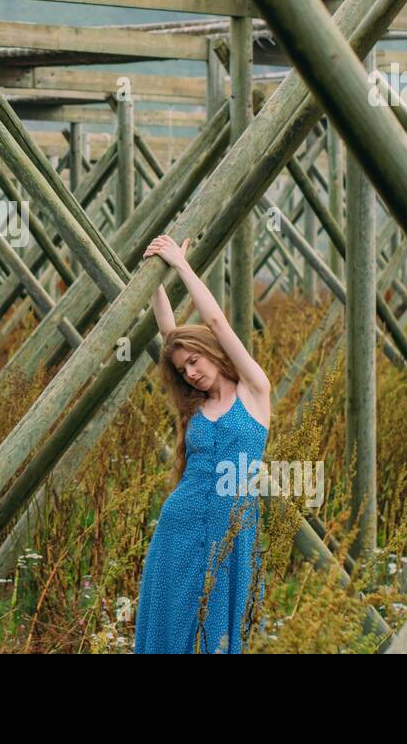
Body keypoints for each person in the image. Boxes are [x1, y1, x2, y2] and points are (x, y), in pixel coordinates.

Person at [132, 234, 271, 654]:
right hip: (182, 520)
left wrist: (181, 267)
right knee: (172, 620)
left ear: (212, 353)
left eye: (195, 361)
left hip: (234, 531)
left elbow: (216, 323)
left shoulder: (253, 390)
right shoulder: (194, 406)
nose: (190, 372)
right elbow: (170, 333)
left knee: (222, 633)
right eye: (182, 369)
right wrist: (155, 280)